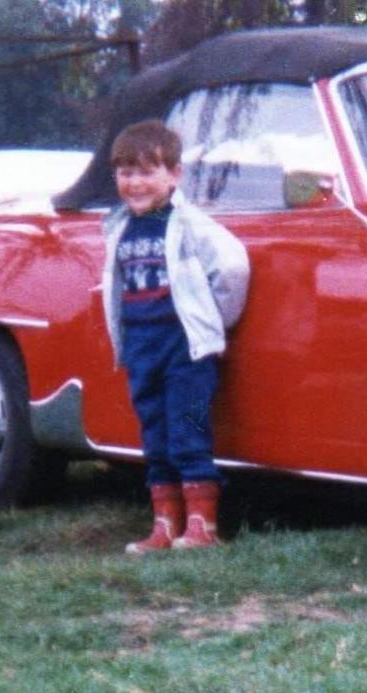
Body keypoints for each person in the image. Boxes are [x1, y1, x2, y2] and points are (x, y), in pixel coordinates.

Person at [100, 120, 250, 554]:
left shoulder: (188, 223)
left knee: (188, 429)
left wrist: (210, 323)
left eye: (148, 172)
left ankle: (202, 525)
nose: (136, 183)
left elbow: (232, 267)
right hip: (141, 346)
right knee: (155, 434)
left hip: (184, 347)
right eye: (126, 173)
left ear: (174, 175)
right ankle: (165, 524)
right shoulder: (118, 227)